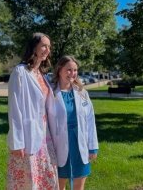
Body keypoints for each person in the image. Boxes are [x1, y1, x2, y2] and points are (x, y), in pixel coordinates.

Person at [6, 32, 58, 190]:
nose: (47, 50)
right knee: (27, 182)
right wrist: (17, 142)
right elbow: (15, 108)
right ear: (33, 47)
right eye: (43, 45)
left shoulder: (41, 74)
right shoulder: (20, 72)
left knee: (46, 178)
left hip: (45, 135)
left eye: (49, 47)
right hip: (28, 137)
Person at [47, 56, 99, 190]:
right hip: (58, 145)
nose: (72, 73)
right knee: (59, 185)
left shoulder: (82, 92)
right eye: (69, 70)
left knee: (78, 185)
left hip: (79, 144)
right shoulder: (50, 92)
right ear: (59, 70)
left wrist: (93, 147)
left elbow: (90, 120)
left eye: (75, 70)